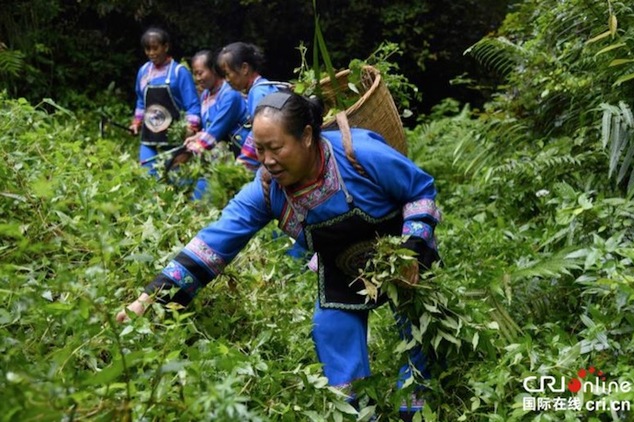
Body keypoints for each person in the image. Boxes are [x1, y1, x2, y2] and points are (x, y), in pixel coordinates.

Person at [117, 92, 441, 419]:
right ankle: (358, 413)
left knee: (416, 333)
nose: (268, 160)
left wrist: (411, 251)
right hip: (341, 268)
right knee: (330, 329)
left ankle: (414, 410)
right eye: (260, 149)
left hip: (402, 252)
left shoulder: (359, 155)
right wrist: (150, 297)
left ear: (307, 137)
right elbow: (213, 244)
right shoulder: (267, 191)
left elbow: (420, 191)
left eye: (276, 148)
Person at [129, 27, 201, 177]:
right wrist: (136, 123)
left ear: (166, 47)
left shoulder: (179, 72)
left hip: (175, 140)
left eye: (155, 48)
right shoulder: (144, 72)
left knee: (176, 182)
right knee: (148, 179)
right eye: (147, 49)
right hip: (150, 138)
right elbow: (141, 101)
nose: (151, 53)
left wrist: (191, 128)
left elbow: (193, 105)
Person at [182, 49, 250, 199]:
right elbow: (208, 128)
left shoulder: (229, 94)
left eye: (200, 73)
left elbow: (218, 128)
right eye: (194, 74)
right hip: (217, 152)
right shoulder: (205, 95)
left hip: (240, 152)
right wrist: (196, 137)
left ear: (213, 70)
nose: (197, 78)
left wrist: (195, 146)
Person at [217, 42, 289, 172]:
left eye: (228, 74)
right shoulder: (258, 89)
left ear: (244, 68)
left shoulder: (258, 92)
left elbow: (259, 132)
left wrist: (242, 164)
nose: (227, 80)